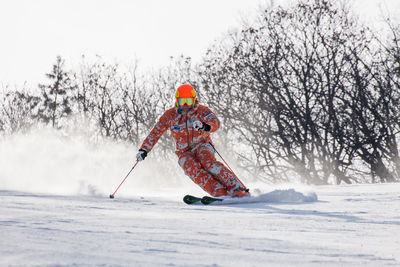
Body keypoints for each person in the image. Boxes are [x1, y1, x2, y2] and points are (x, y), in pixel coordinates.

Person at [136, 84, 249, 197]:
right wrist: (144, 149)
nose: (185, 105)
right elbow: (156, 132)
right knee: (190, 167)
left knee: (207, 162)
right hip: (183, 150)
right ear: (177, 101)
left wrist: (205, 127)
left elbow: (215, 122)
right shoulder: (170, 115)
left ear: (194, 100)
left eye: (188, 101)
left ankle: (236, 187)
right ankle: (218, 190)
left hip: (202, 144)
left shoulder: (202, 111)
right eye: (182, 101)